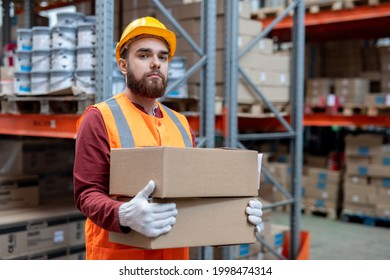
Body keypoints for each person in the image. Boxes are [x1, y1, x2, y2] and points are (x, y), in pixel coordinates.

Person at [73, 16, 263, 260]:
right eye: (144, 55)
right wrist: (124, 214)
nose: (155, 63)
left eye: (162, 57)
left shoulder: (181, 125)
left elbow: (197, 195)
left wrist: (237, 216)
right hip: (119, 258)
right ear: (123, 65)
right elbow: (86, 193)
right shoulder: (99, 117)